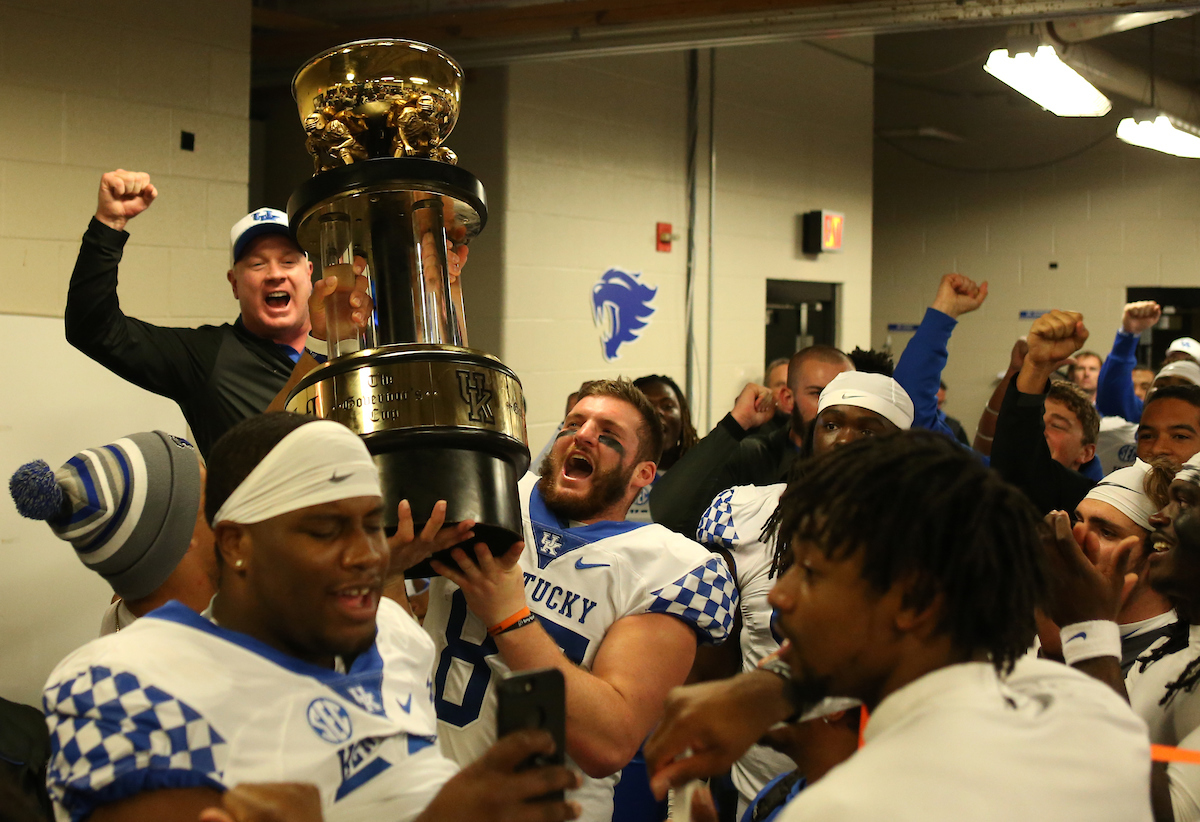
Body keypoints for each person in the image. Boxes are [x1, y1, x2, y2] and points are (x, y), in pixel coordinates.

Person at [41, 413, 579, 822]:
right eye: (325, 530)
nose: (369, 554)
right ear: (236, 543)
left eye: (373, 524)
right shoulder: (126, 683)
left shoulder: (392, 636)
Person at [646, 432, 1154, 822]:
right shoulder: (1085, 714)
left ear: (914, 600)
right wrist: (773, 688)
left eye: (812, 572)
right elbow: (1092, 692)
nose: (779, 593)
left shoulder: (844, 809)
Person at [424, 379, 736, 822]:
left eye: (608, 435)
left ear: (643, 474)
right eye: (574, 424)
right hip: (421, 791)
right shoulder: (486, 490)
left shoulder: (670, 568)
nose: (584, 435)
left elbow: (609, 741)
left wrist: (509, 616)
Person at [64, 170, 466, 455]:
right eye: (257, 264)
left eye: (288, 260)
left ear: (309, 273)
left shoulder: (360, 340)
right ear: (234, 282)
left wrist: (438, 290)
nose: (274, 274)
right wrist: (108, 226)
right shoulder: (205, 357)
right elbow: (93, 328)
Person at [696, 371, 913, 817]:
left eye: (868, 429)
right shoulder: (751, 515)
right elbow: (716, 656)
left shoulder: (928, 536)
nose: (844, 440)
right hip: (758, 786)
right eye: (832, 424)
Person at [9, 431, 214, 634]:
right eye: (212, 498)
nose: (228, 506)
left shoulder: (120, 619)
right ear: (180, 540)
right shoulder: (208, 651)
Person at [650, 347, 853, 536]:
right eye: (819, 394)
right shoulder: (754, 457)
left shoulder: (869, 460)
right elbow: (667, 514)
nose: (835, 405)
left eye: (846, 393)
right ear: (787, 398)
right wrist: (736, 423)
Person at [1097, 300, 1200, 424]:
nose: (1170, 393)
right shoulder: (1144, 414)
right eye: (1162, 386)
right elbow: (1113, 397)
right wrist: (1128, 335)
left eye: (1183, 387)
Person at [627, 375, 699, 523]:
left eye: (667, 406)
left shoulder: (699, 470)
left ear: (683, 415)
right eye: (647, 406)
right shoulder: (612, 472)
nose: (658, 413)